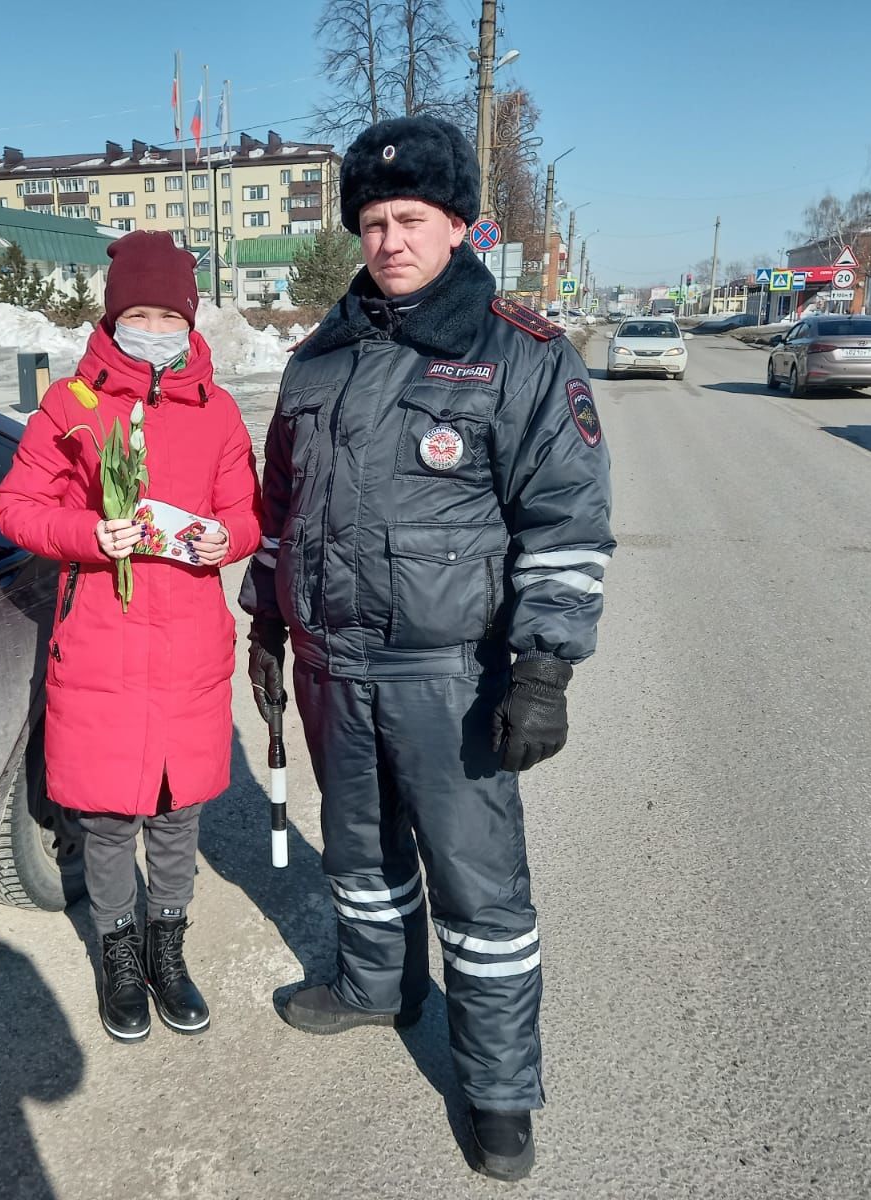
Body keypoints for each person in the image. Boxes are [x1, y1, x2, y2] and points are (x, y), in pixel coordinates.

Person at [239, 116, 614, 1181]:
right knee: (357, 850)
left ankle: (498, 1088)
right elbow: (284, 506)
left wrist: (543, 669)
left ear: (458, 223)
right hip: (332, 664)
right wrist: (267, 614)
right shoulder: (319, 357)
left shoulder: (519, 353)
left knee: (478, 892)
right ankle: (375, 985)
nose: (389, 239)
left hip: (447, 675)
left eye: (411, 218)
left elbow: (564, 525)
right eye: (371, 221)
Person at [0, 231, 262, 1044]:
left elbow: (245, 509)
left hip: (186, 645)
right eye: (136, 313)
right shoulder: (70, 406)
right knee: (110, 819)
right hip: (101, 644)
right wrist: (88, 533)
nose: (152, 327)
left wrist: (230, 539)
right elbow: (15, 508)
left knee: (178, 813)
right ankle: (117, 951)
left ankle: (167, 948)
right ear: (114, 319)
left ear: (188, 319)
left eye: (165, 314)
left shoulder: (215, 411)